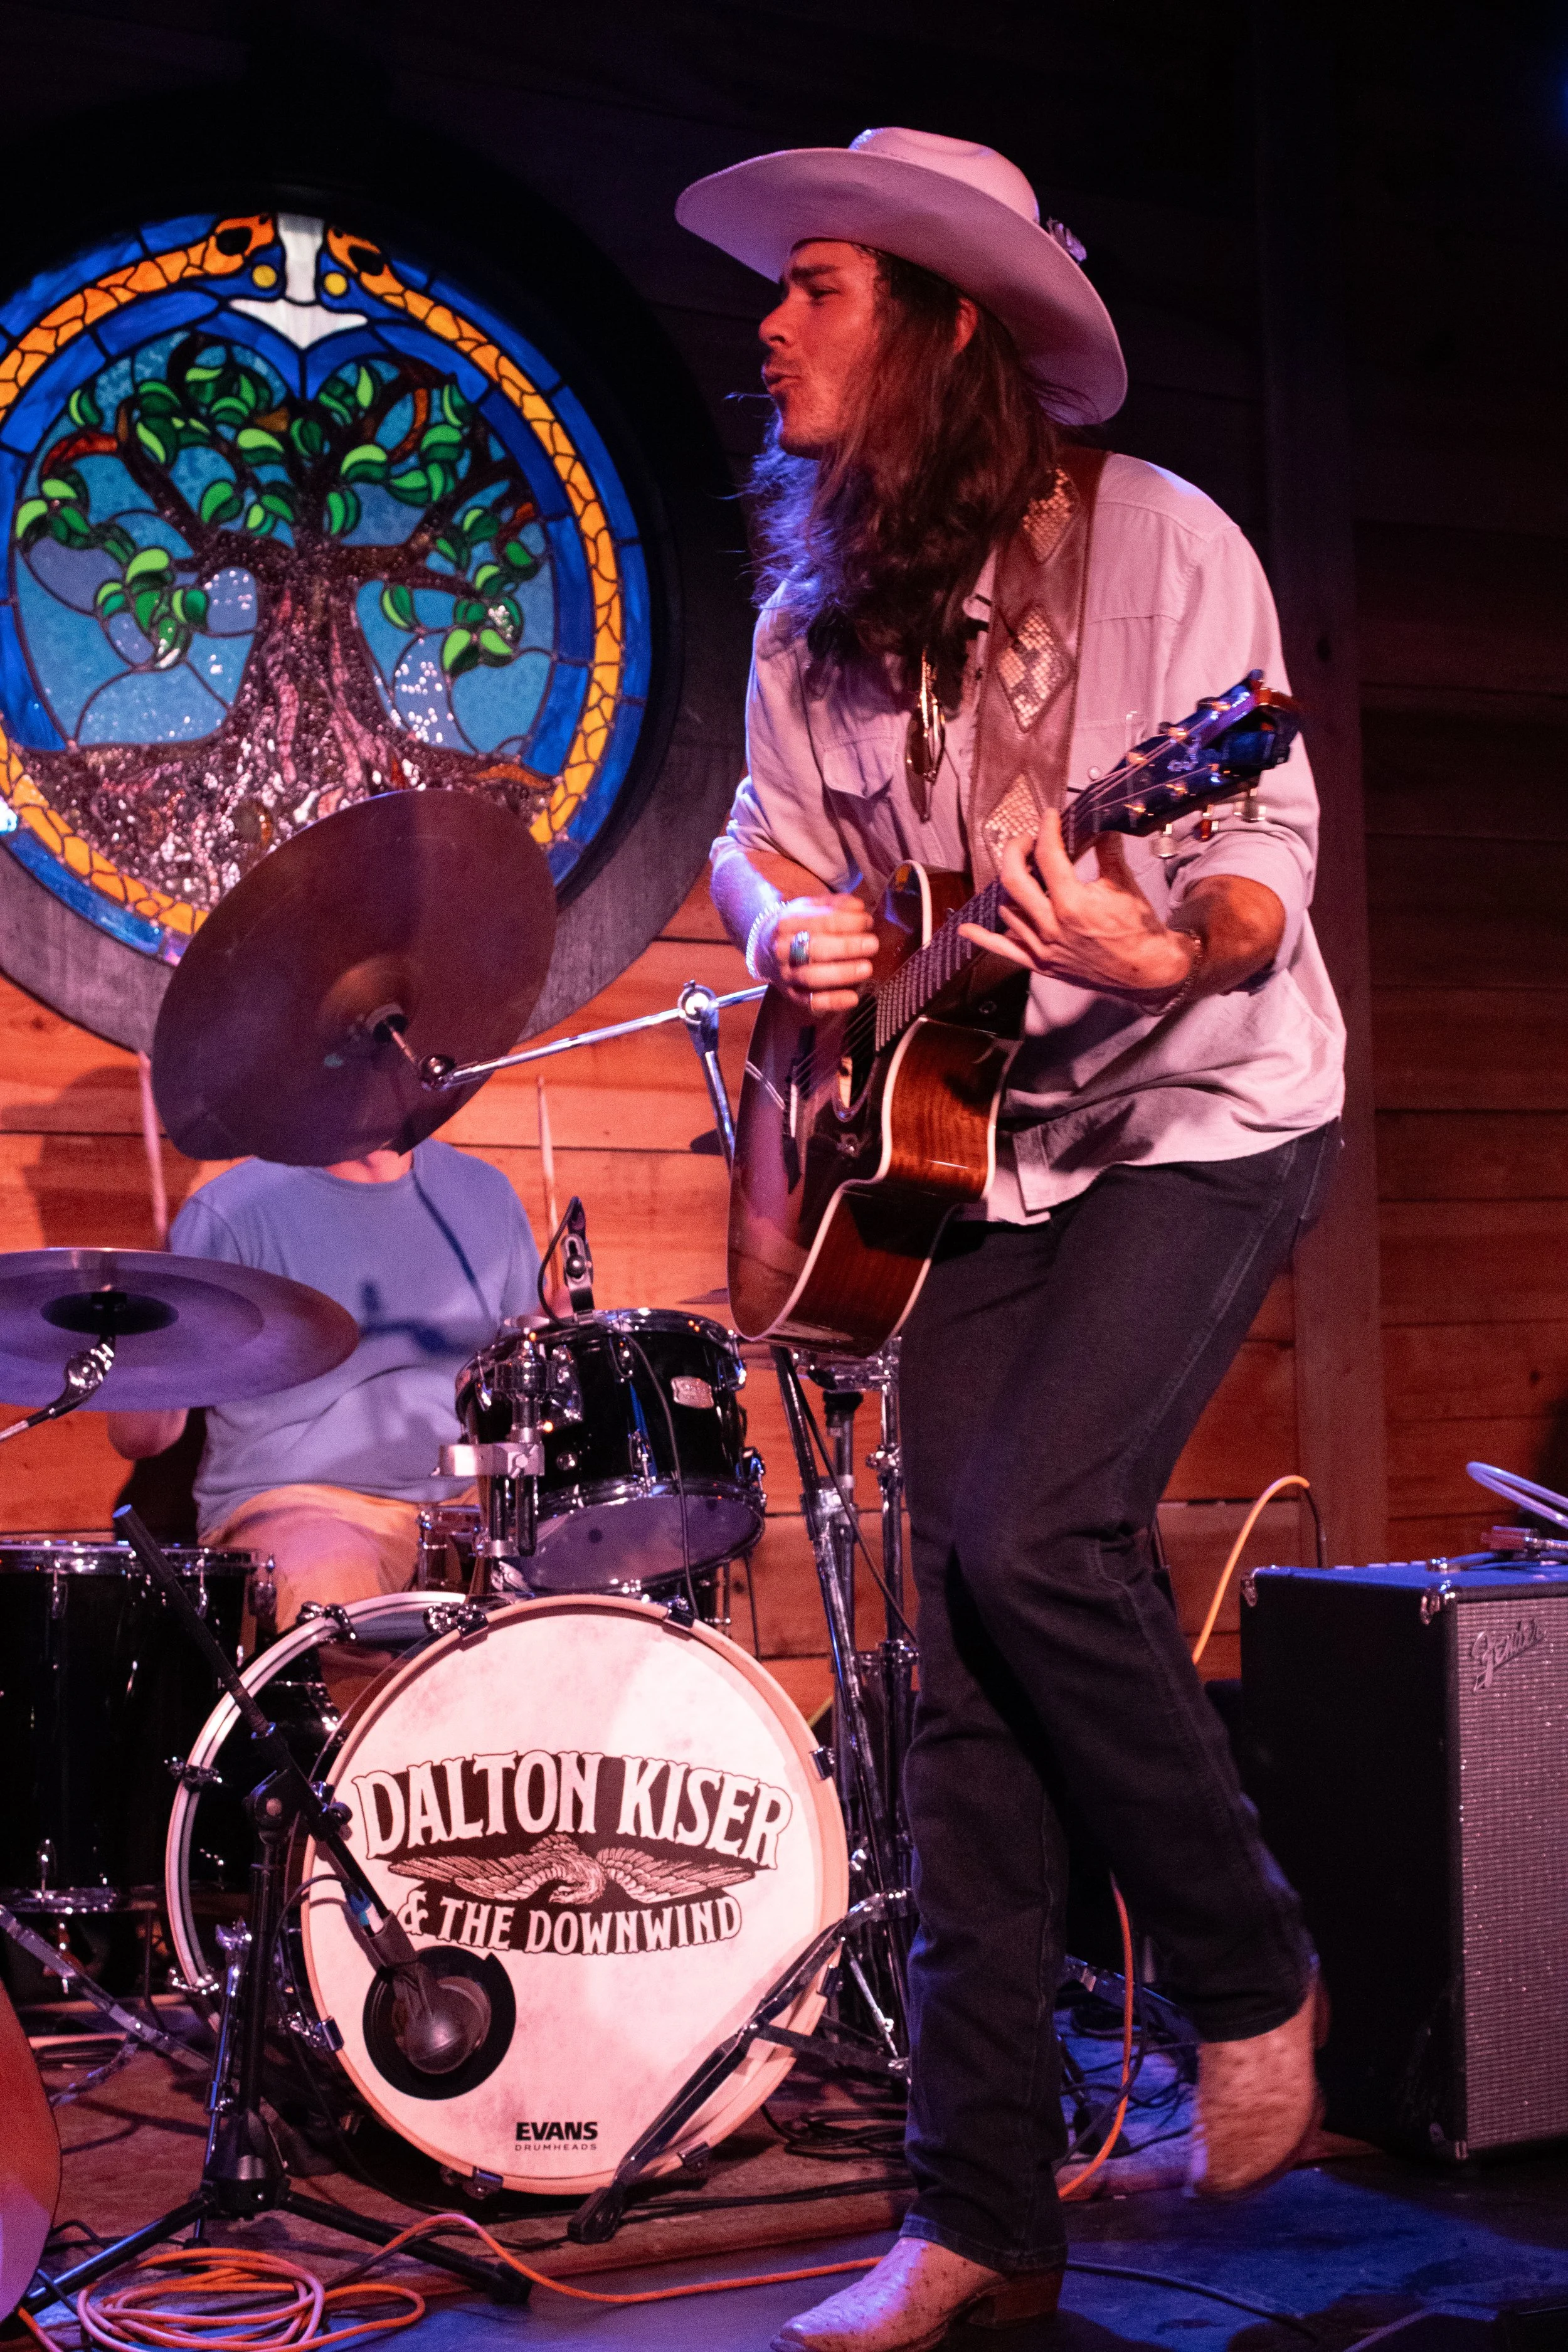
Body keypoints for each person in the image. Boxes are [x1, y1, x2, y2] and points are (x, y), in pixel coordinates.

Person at [681, 126, 1347, 2351]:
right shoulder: (813, 624)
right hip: (979, 1150)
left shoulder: (1158, 546)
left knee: (1041, 1536)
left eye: (826, 288)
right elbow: (765, 856)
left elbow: (1251, 853)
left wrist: (1166, 956)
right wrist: (797, 941)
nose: (770, 322)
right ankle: (973, 2221)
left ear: (954, 331)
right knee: (954, 1672)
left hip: (1201, 1105)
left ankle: (1251, 1977)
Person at [108, 1137, 540, 1638]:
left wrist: (563, 1336)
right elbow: (140, 1438)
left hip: (472, 1502)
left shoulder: (486, 1192)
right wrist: (145, 1327)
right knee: (333, 1598)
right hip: (302, 1502)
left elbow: (521, 1387)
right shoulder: (231, 1210)